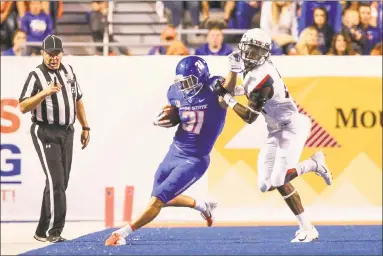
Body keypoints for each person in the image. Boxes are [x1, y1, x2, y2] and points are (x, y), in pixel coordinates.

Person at [212, 28, 333, 243]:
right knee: (265, 185)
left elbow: (249, 117)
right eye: (249, 49)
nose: (251, 55)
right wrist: (231, 90)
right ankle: (314, 164)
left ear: (266, 54)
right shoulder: (254, 71)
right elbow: (251, 91)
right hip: (275, 130)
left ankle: (308, 228)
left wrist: (227, 96)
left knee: (279, 179)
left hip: (291, 127)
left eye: (256, 51)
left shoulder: (263, 76)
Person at [105, 56, 228, 246]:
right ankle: (203, 206)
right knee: (162, 197)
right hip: (175, 150)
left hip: (195, 159)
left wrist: (235, 70)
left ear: (202, 76)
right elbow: (176, 112)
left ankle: (122, 233)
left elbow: (231, 85)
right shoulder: (174, 92)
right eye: (182, 82)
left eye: (189, 81)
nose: (185, 87)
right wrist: (165, 118)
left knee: (158, 200)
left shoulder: (214, 89)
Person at [18, 35, 90, 243]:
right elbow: (23, 106)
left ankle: (42, 230)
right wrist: (44, 93)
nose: (53, 58)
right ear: (42, 53)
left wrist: (85, 126)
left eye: (57, 53)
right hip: (45, 131)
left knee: (60, 181)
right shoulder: (36, 75)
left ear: (62, 53)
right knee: (56, 181)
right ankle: (54, 231)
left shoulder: (68, 72)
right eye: (49, 54)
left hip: (67, 131)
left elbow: (78, 100)